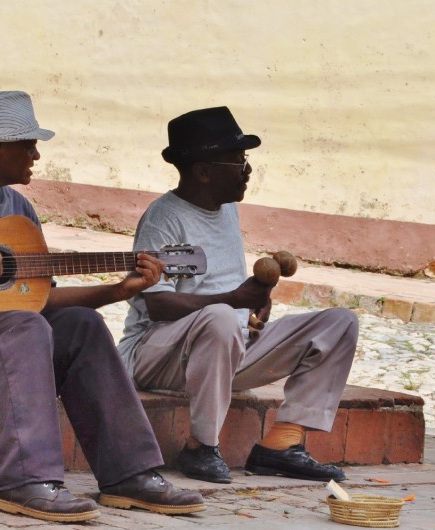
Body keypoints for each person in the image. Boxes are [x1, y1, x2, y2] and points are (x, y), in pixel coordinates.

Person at [0, 91, 204, 522]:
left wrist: (119, 290)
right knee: (24, 329)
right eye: (28, 145)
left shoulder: (19, 211)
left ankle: (130, 475)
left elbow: (38, 298)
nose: (36, 155)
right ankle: (27, 481)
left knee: (79, 324)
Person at [117, 106, 359, 484]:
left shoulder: (227, 210)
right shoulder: (164, 218)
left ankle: (283, 444)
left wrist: (257, 302)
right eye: (238, 162)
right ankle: (201, 447)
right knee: (220, 317)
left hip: (225, 350)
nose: (248, 171)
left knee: (339, 323)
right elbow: (158, 304)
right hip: (157, 355)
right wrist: (233, 301)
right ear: (203, 171)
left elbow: (229, 295)